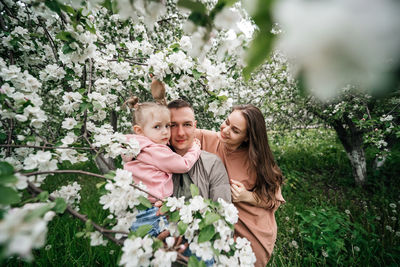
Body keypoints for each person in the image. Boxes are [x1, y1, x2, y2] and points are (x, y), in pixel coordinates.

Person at [195, 104, 285, 267]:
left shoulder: (257, 161)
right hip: (218, 230)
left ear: (247, 137)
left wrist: (247, 196)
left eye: (235, 130)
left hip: (251, 234)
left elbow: (275, 200)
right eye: (227, 122)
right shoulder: (209, 140)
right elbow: (176, 129)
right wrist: (161, 101)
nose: (225, 130)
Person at [122, 97, 201, 236]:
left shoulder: (134, 147)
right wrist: (195, 149)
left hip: (136, 207)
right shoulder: (155, 150)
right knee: (167, 242)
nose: (165, 132)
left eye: (167, 126)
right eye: (157, 127)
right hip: (151, 211)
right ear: (139, 130)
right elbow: (183, 164)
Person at [167, 99, 231, 203]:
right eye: (173, 125)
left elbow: (222, 211)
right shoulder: (154, 162)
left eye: (187, 124)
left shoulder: (212, 164)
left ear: (194, 126)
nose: (180, 133)